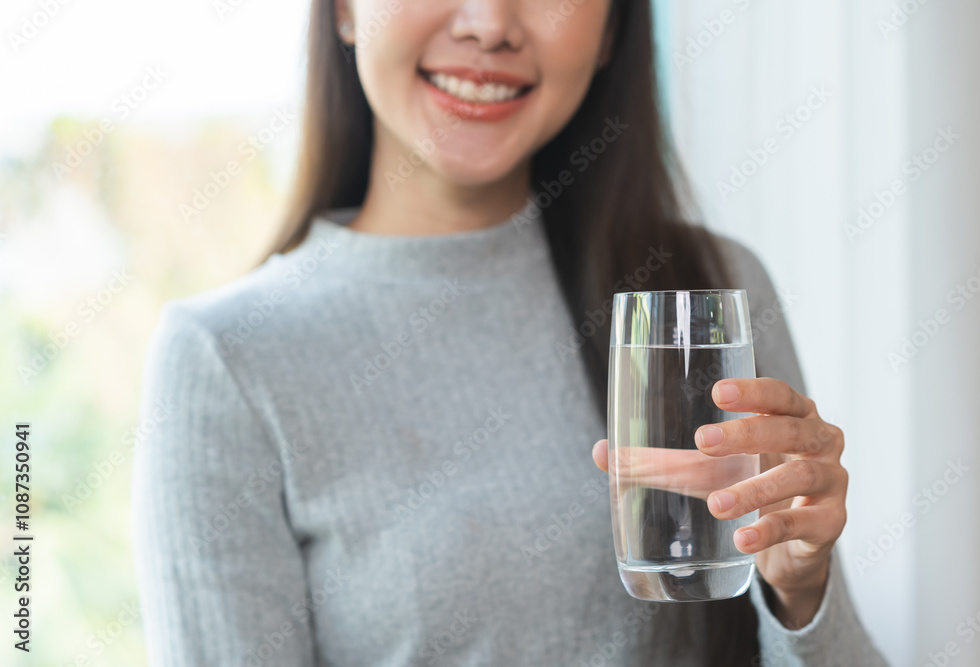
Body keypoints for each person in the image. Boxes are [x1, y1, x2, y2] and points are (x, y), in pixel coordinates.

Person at [130, 0, 888, 664]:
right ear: (343, 9)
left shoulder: (705, 291)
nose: (490, 24)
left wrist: (803, 590)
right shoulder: (227, 360)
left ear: (611, 26)